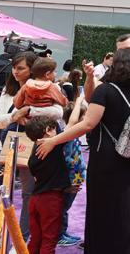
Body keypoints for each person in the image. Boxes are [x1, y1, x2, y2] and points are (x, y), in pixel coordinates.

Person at [34, 49, 130, 254]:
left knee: (105, 208)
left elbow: (87, 124)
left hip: (109, 160)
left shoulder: (105, 91)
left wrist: (54, 140)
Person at [0, 51, 63, 242]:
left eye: (21, 68)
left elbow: (58, 112)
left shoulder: (49, 87)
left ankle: (22, 238)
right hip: (7, 143)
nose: (16, 72)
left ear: (32, 69)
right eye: (14, 68)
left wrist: (30, 110)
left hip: (35, 147)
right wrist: (15, 116)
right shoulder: (8, 92)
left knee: (28, 192)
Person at [26, 116, 70, 254]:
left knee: (35, 239)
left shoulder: (33, 155)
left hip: (35, 199)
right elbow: (72, 124)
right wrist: (79, 100)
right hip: (50, 200)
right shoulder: (53, 146)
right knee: (49, 241)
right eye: (55, 130)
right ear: (47, 130)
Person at [57, 95, 86, 246]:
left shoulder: (73, 135)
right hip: (69, 177)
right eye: (84, 116)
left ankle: (63, 231)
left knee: (66, 206)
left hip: (74, 176)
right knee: (63, 206)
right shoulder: (68, 134)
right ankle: (59, 235)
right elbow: (68, 159)